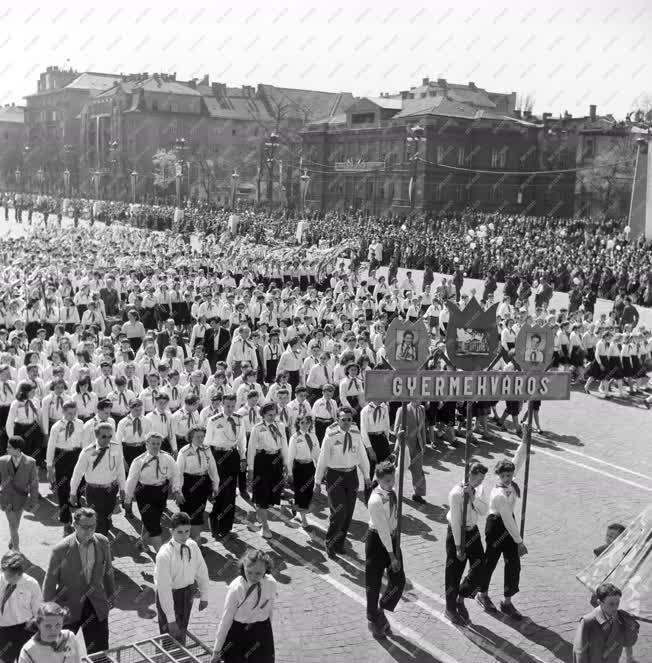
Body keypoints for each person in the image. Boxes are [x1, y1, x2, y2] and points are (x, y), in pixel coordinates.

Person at [42, 507, 115, 654]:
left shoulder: (103, 542)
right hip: (68, 609)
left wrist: (111, 595)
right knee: (59, 654)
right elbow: (49, 583)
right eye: (85, 527)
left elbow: (108, 571)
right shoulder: (60, 550)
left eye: (93, 526)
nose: (89, 531)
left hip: (96, 605)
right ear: (75, 525)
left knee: (99, 655)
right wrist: (49, 615)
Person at [476, 438, 528, 619]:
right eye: (504, 476)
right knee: (490, 561)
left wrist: (525, 440)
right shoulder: (499, 495)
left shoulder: (511, 480)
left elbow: (519, 459)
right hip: (497, 525)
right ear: (499, 476)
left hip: (508, 522)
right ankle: (482, 594)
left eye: (509, 476)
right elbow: (507, 519)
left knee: (513, 563)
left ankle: (507, 601)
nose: (507, 479)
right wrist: (519, 542)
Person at [314, 407, 370, 557]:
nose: (346, 422)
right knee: (338, 512)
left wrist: (367, 476)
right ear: (337, 420)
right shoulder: (331, 435)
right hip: (335, 476)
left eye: (349, 419)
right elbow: (323, 458)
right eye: (343, 419)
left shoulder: (356, 434)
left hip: (351, 475)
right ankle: (330, 542)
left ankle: (340, 543)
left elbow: (362, 455)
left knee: (348, 513)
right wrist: (317, 481)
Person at [211, 549, 277, 663]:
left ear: (266, 570)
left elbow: (270, 608)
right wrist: (217, 650)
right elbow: (226, 619)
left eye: (258, 573)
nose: (253, 577)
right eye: (249, 572)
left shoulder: (271, 583)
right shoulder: (236, 588)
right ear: (243, 567)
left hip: (261, 630)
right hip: (238, 633)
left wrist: (267, 632)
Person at [154, 511, 209, 644]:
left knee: (182, 630)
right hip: (169, 596)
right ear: (171, 531)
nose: (184, 536)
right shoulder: (164, 554)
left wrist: (204, 596)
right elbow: (164, 588)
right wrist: (171, 619)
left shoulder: (193, 545)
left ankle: (181, 655)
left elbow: (202, 570)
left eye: (187, 531)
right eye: (180, 532)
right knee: (169, 636)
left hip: (187, 593)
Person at [444, 462, 489, 625]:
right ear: (470, 475)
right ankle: (450, 608)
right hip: (458, 533)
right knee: (454, 573)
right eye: (478, 478)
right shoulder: (456, 493)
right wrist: (458, 547)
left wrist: (472, 496)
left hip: (473, 530)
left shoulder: (478, 489)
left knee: (480, 568)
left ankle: (461, 596)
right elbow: (456, 521)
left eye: (483, 479)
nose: (480, 482)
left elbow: (484, 511)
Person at [365, 460, 405, 639]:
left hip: (393, 539)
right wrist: (392, 556)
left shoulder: (393, 492)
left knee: (399, 580)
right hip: (377, 542)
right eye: (388, 481)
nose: (392, 483)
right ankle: (373, 618)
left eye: (393, 479)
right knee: (373, 583)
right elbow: (382, 530)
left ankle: (383, 606)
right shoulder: (375, 500)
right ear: (379, 480)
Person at [125, 433, 181, 552]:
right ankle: (161, 557)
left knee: (153, 519)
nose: (155, 446)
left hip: (161, 491)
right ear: (146, 445)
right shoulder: (139, 461)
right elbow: (131, 480)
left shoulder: (167, 458)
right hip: (144, 492)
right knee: (154, 525)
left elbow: (175, 474)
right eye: (152, 443)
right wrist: (128, 499)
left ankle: (142, 542)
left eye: (158, 444)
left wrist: (176, 490)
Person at [69, 422, 126, 536]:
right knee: (98, 519)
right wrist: (73, 492)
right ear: (96, 436)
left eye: (110, 436)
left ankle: (105, 529)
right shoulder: (88, 451)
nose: (107, 439)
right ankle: (102, 543)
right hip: (94, 491)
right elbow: (77, 473)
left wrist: (122, 488)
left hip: (111, 489)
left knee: (107, 514)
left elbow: (120, 469)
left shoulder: (115, 447)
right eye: (103, 436)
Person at [205, 393, 246, 539]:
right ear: (222, 404)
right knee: (219, 492)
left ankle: (226, 527)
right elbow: (207, 443)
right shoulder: (214, 420)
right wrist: (208, 464)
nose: (229, 409)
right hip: (218, 457)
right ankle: (215, 525)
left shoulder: (239, 419)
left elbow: (241, 440)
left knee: (231, 494)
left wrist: (243, 458)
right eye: (227, 405)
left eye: (232, 406)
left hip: (232, 456)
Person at [247, 402, 289, 540]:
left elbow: (284, 445)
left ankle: (259, 511)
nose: (272, 417)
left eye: (274, 414)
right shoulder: (257, 428)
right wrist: (251, 469)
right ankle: (265, 527)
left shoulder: (280, 426)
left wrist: (286, 464)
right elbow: (251, 449)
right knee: (262, 493)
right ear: (263, 415)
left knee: (273, 494)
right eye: (269, 415)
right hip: (262, 461)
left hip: (276, 461)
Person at [572, 583, 639, 663]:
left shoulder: (622, 618)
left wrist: (631, 629)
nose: (615, 607)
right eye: (611, 604)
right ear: (599, 602)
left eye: (617, 602)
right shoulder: (588, 622)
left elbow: (628, 642)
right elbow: (580, 652)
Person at [46, 401, 85, 535]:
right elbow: (51, 446)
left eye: (74, 413)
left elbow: (84, 442)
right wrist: (49, 465)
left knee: (79, 487)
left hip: (77, 455)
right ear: (63, 412)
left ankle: (77, 516)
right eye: (69, 413)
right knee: (62, 490)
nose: (72, 416)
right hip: (62, 457)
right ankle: (66, 522)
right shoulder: (57, 426)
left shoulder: (80, 424)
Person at [176, 426, 219, 543]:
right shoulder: (184, 451)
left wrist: (215, 485)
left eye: (202, 436)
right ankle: (186, 540)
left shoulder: (206, 449)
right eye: (197, 437)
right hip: (189, 483)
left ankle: (196, 541)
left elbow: (213, 468)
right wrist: (178, 491)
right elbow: (178, 473)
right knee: (188, 513)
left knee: (200, 512)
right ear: (190, 437)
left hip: (203, 482)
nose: (200, 439)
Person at [0, 551, 42, 663]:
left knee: (26, 659)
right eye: (9, 575)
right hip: (4, 629)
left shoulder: (31, 584)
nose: (13, 579)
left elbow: (37, 610)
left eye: (17, 576)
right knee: (5, 659)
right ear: (2, 570)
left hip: (26, 628)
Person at [0, 436, 39, 552]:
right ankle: (16, 550)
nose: (7, 449)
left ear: (18, 449)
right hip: (6, 499)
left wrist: (34, 502)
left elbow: (34, 484)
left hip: (21, 499)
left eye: (9, 447)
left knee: (15, 524)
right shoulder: (1, 461)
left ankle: (13, 539)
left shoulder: (31, 462)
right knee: (13, 524)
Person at [18, 602, 83, 663]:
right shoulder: (28, 650)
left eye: (58, 625)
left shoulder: (69, 637)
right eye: (48, 626)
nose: (53, 630)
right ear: (38, 625)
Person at [287, 414, 320, 529]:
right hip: (299, 468)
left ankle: (294, 503)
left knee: (309, 492)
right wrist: (289, 473)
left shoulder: (313, 436)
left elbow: (317, 454)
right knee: (301, 492)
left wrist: (321, 470)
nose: (305, 425)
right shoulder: (294, 438)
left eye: (307, 422)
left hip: (310, 467)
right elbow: (290, 457)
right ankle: (304, 519)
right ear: (298, 424)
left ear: (311, 424)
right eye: (302, 423)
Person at [393, 401, 427, 504]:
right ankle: (395, 492)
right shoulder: (401, 409)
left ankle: (418, 494)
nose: (420, 399)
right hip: (405, 446)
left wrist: (424, 444)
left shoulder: (421, 409)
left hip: (418, 445)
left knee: (418, 471)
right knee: (399, 471)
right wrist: (400, 435)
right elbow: (395, 429)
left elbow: (423, 428)